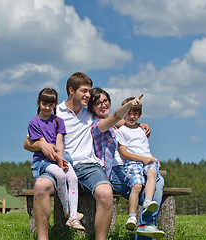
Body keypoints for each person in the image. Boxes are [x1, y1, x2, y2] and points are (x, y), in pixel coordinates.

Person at [24, 72, 152, 240]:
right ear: (71, 90)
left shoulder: (90, 113)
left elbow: (113, 119)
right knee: (41, 186)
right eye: (84, 91)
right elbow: (27, 143)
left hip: (88, 166)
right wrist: (41, 144)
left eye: (89, 91)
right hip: (60, 163)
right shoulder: (56, 113)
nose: (88, 95)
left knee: (106, 192)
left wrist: (137, 124)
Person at [88, 88, 165, 239]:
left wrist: (138, 123)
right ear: (91, 108)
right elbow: (116, 118)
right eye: (98, 103)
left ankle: (144, 226)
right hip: (115, 171)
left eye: (105, 101)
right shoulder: (96, 125)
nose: (103, 105)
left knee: (157, 181)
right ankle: (145, 226)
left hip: (132, 165)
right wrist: (130, 106)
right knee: (151, 190)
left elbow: (125, 123)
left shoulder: (118, 124)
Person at [27, 88, 84, 231]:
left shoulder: (58, 121)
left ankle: (73, 217)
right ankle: (68, 212)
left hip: (60, 156)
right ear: (38, 103)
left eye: (51, 105)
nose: (47, 108)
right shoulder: (34, 122)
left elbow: (60, 143)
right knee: (60, 175)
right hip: (43, 161)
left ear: (55, 105)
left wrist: (61, 158)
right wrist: (57, 159)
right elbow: (44, 145)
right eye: (44, 104)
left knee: (72, 177)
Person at [116, 97, 161, 231]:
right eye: (128, 113)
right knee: (137, 185)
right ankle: (132, 216)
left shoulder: (141, 130)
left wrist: (153, 158)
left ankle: (147, 201)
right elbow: (124, 153)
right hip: (133, 162)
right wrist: (143, 159)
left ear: (139, 115)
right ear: (123, 114)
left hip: (146, 159)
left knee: (152, 174)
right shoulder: (121, 131)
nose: (131, 116)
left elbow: (144, 149)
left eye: (135, 114)